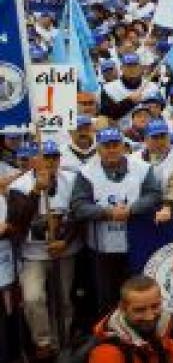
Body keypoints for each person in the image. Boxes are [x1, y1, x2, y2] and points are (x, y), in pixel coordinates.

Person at [70, 128, 162, 314]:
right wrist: (107, 213)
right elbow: (78, 205)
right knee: (107, 295)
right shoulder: (86, 172)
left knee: (138, 291)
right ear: (99, 148)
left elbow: (154, 195)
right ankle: (111, 333)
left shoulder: (142, 168)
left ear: (122, 146)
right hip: (102, 247)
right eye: (106, 146)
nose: (111, 150)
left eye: (115, 145)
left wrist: (132, 210)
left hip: (136, 242)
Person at [7, 141, 79, 360]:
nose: (50, 162)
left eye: (54, 157)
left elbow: (79, 216)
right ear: (34, 160)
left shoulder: (72, 180)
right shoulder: (19, 185)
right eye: (45, 157)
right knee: (32, 298)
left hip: (63, 250)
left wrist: (65, 241)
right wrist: (36, 191)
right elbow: (17, 221)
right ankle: (43, 341)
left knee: (63, 300)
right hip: (32, 253)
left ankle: (62, 341)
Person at [86, 274, 173, 363]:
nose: (150, 316)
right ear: (123, 309)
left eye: (155, 306)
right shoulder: (108, 352)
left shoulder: (155, 333)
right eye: (139, 310)